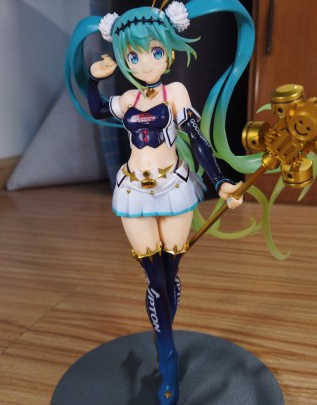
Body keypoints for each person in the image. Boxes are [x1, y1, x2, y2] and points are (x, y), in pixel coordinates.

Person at [65, 1, 255, 403]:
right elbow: (96, 108)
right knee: (154, 277)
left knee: (170, 270)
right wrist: (94, 81)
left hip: (173, 187)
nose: (145, 63)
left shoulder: (175, 92)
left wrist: (221, 180)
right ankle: (167, 357)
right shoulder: (128, 100)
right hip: (133, 189)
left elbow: (196, 136)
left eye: (154, 51)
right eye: (133, 56)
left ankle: (163, 343)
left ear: (168, 52)